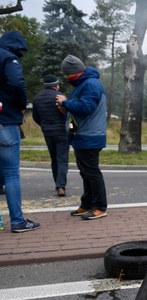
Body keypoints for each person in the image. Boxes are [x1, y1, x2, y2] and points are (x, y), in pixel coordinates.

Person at [55, 55, 108, 220]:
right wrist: (66, 111)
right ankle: (87, 204)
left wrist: (65, 103)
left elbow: (86, 107)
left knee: (91, 172)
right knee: (85, 172)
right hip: (81, 135)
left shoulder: (90, 84)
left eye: (67, 74)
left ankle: (100, 206)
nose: (66, 78)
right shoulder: (82, 84)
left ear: (74, 73)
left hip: (90, 136)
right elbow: (76, 113)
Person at [0, 31, 41, 232]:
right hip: (5, 121)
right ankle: (17, 221)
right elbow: (16, 83)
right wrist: (22, 104)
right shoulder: (9, 58)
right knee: (10, 174)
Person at [32, 74, 69, 197]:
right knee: (62, 159)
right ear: (56, 85)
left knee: (54, 159)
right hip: (62, 132)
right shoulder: (60, 97)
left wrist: (44, 125)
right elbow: (67, 114)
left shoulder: (37, 98)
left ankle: (57, 184)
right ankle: (61, 186)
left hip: (48, 132)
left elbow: (35, 117)